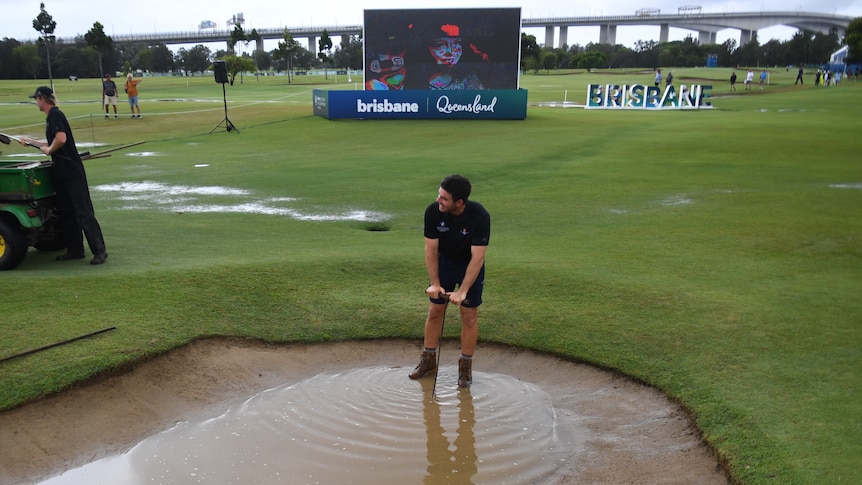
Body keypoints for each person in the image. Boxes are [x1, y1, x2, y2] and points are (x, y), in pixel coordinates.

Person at [409, 174, 490, 388]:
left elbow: (478, 258)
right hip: (444, 263)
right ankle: (428, 361)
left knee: (469, 316)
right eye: (439, 195)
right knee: (435, 310)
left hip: (469, 266)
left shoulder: (479, 216)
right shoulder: (433, 212)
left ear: (459, 202)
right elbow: (430, 250)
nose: (438, 200)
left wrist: (463, 291)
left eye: (444, 198)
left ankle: (465, 369)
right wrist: (435, 284)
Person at [20, 86, 108, 265]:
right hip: (61, 172)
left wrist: (48, 151)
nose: (36, 102)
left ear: (42, 99)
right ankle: (75, 250)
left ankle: (100, 251)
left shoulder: (55, 115)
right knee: (67, 213)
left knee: (83, 212)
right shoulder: (50, 118)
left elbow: (60, 139)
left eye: (36, 99)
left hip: (71, 172)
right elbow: (51, 142)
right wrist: (31, 142)